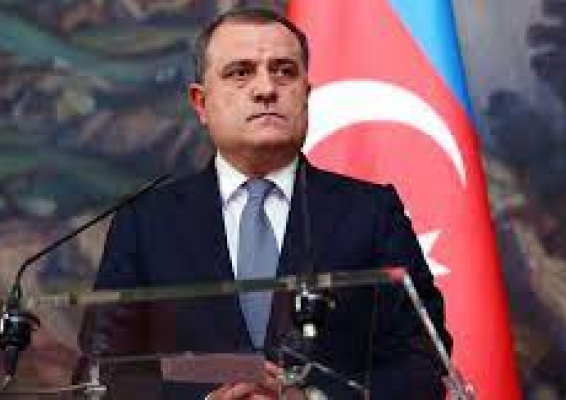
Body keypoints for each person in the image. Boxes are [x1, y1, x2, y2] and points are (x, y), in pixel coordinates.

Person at [79, 7, 451, 399]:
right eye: (240, 72)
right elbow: (100, 372)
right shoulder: (146, 222)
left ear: (305, 94)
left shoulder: (371, 213)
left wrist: (312, 398)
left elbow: (424, 364)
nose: (266, 89)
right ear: (201, 103)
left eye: (284, 71)